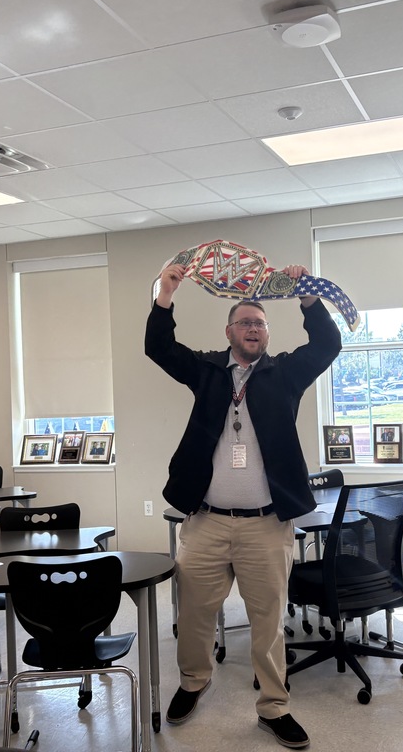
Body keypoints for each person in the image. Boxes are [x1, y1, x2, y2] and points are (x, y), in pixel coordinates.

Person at [145, 261, 340, 750]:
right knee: (192, 614)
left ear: (267, 333)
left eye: (260, 323)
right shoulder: (209, 371)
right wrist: (165, 293)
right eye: (245, 323)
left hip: (265, 526)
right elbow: (158, 348)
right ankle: (194, 682)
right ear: (229, 331)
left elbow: (327, 346)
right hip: (205, 523)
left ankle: (274, 706)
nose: (254, 329)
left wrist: (307, 297)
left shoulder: (285, 373)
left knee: (268, 622)